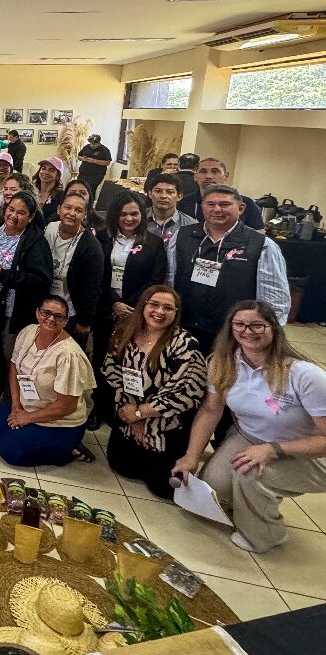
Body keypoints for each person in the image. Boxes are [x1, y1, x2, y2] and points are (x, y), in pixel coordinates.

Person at [173, 300, 326, 553]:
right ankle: (254, 501)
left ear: (273, 328)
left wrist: (273, 449)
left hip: (310, 453)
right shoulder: (223, 363)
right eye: (240, 325)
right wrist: (191, 456)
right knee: (215, 483)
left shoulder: (305, 375)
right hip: (249, 436)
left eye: (257, 325)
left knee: (250, 476)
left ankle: (265, 536)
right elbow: (211, 410)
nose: (247, 331)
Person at [103, 286, 206, 500]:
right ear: (143, 306)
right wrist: (132, 416)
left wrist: (142, 413)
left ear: (176, 313)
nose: (159, 311)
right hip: (129, 413)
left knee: (164, 489)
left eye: (168, 308)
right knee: (122, 466)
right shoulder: (124, 332)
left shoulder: (185, 344)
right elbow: (112, 372)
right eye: (154, 305)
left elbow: (186, 391)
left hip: (166, 423)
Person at [169, 184, 290, 353]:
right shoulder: (182, 235)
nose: (217, 209)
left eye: (224, 204)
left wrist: (263, 335)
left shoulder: (262, 245)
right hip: (184, 327)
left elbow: (275, 299)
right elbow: (169, 279)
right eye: (210, 204)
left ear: (241, 208)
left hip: (234, 334)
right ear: (202, 207)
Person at [0, 296, 96, 466]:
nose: (51, 319)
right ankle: (30, 435)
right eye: (46, 313)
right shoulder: (28, 332)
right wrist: (16, 405)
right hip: (27, 404)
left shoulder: (69, 355)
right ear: (38, 313)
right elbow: (14, 368)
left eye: (58, 316)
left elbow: (66, 406)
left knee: (8, 450)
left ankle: (67, 451)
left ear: (66, 321)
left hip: (59, 420)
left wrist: (26, 418)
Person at [91, 192, 167, 428]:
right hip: (106, 309)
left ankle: (124, 408)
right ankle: (99, 406)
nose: (128, 218)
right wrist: (113, 302)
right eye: (123, 214)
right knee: (102, 359)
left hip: (138, 313)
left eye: (134, 214)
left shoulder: (154, 242)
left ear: (142, 215)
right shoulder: (102, 238)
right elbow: (95, 274)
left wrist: (133, 307)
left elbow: (156, 279)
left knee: (130, 362)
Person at [0, 192, 54, 401]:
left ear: (30, 217)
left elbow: (41, 278)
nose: (13, 216)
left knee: (11, 353)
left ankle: (11, 401)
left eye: (21, 213)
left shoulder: (35, 241)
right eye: (11, 210)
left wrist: (4, 275)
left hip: (14, 307)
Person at [44, 193, 104, 349]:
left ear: (85, 215)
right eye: (68, 207)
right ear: (59, 209)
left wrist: (84, 320)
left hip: (70, 313)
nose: (71, 213)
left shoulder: (91, 246)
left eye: (78, 210)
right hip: (44, 306)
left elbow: (92, 287)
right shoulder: (49, 229)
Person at [176, 158, 264, 230]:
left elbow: (259, 234)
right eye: (203, 171)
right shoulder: (184, 202)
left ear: (226, 176)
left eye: (215, 171)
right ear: (195, 176)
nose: (208, 176)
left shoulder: (246, 203)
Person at [144, 173, 196, 249]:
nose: (163, 196)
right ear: (150, 194)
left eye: (170, 192)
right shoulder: (137, 219)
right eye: (158, 191)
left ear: (179, 196)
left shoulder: (190, 225)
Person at [76, 134, 112, 198]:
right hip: (83, 173)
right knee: (79, 188)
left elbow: (107, 162)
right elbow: (79, 156)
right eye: (91, 143)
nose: (92, 145)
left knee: (90, 190)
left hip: (96, 175)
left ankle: (90, 203)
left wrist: (93, 160)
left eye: (94, 144)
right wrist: (84, 159)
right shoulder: (86, 147)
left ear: (99, 142)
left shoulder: (104, 150)